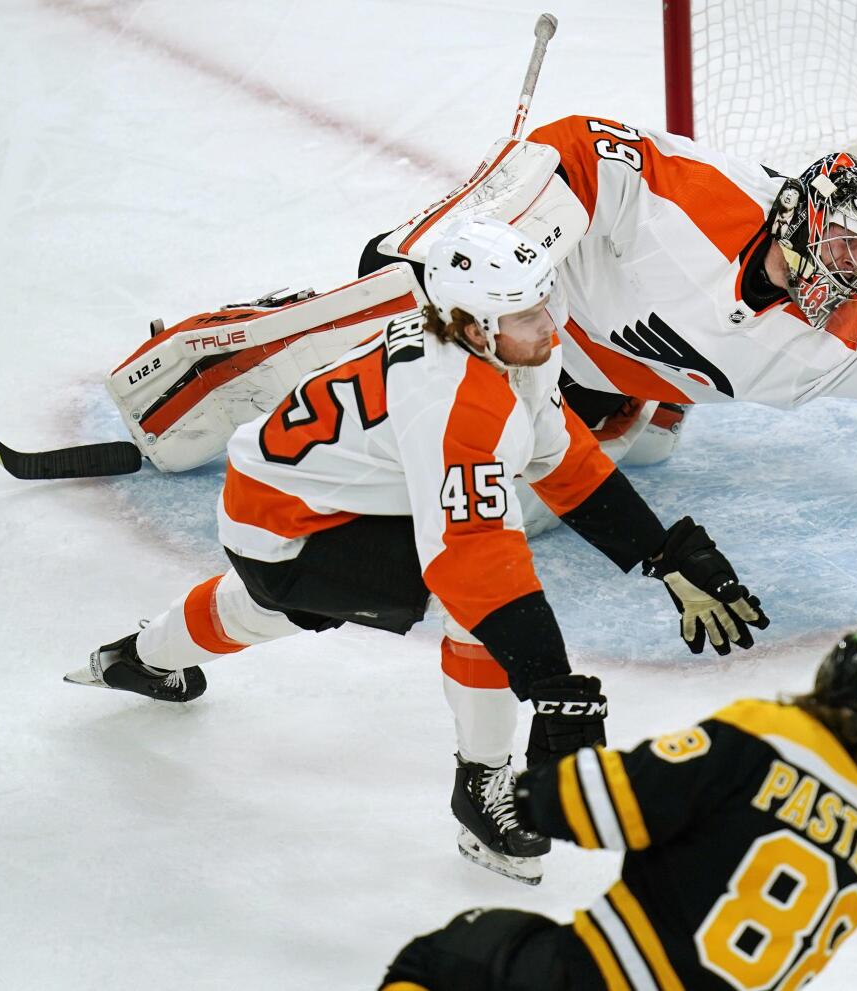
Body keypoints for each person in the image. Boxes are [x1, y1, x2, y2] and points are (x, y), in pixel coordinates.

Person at [68, 217, 769, 885]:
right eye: (526, 315)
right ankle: (481, 788)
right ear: (473, 327)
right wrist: (556, 691)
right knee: (466, 600)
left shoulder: (501, 350)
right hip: (294, 531)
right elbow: (474, 563)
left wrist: (665, 552)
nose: (549, 325)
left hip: (291, 504)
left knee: (274, 607)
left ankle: (140, 658)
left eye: (542, 303)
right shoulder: (457, 401)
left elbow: (560, 460)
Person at [106, 116, 857, 530]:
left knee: (521, 495)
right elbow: (580, 146)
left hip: (602, 360)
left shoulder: (846, 330)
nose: (851, 275)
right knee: (415, 307)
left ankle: (637, 411)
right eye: (840, 251)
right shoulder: (699, 199)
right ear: (794, 221)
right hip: (548, 284)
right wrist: (497, 237)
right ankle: (205, 359)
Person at [379, 624, 857, 991]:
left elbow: (592, 805)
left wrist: (547, 776)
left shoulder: (773, 732)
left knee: (443, 961)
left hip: (607, 977)